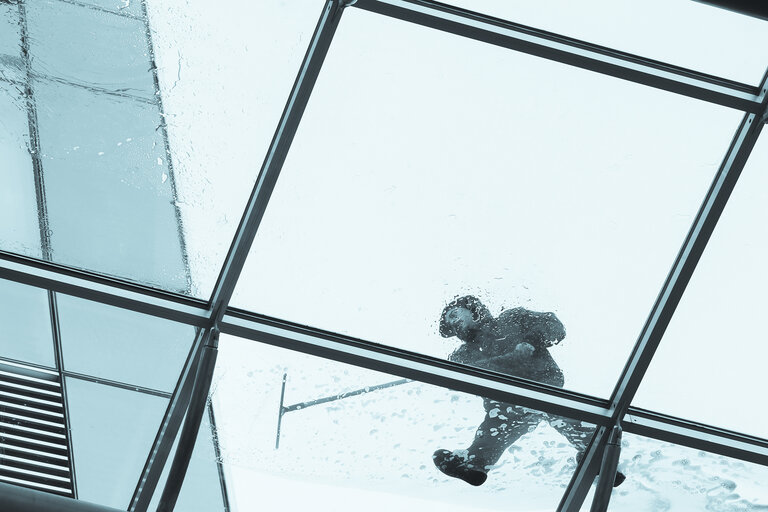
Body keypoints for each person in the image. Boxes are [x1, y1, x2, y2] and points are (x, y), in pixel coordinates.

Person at [433, 295, 624, 488]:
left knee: (564, 418)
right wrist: (513, 358)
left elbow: (554, 325)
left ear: (472, 308)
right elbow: (467, 375)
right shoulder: (462, 354)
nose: (454, 323)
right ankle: (474, 464)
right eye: (450, 324)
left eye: (454, 314)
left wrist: (533, 339)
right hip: (503, 402)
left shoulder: (512, 318)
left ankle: (600, 459)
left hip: (541, 385)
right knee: (494, 429)